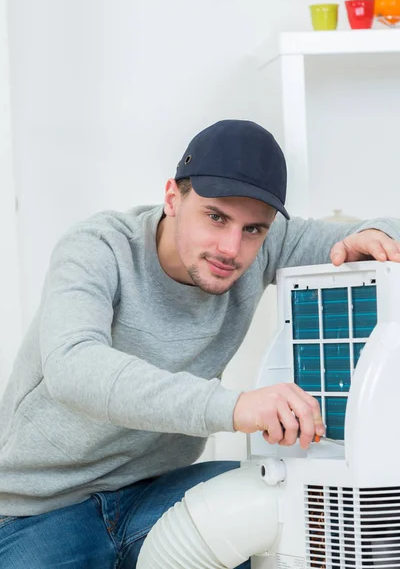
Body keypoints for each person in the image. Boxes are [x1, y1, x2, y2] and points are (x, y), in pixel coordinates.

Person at [0, 119, 399, 568]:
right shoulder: (99, 247)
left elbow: (369, 233)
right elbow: (73, 367)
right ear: (173, 197)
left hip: (155, 489)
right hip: (38, 510)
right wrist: (236, 406)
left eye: (253, 229)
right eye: (216, 217)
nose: (232, 248)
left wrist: (381, 234)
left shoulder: (264, 244)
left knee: (285, 506)